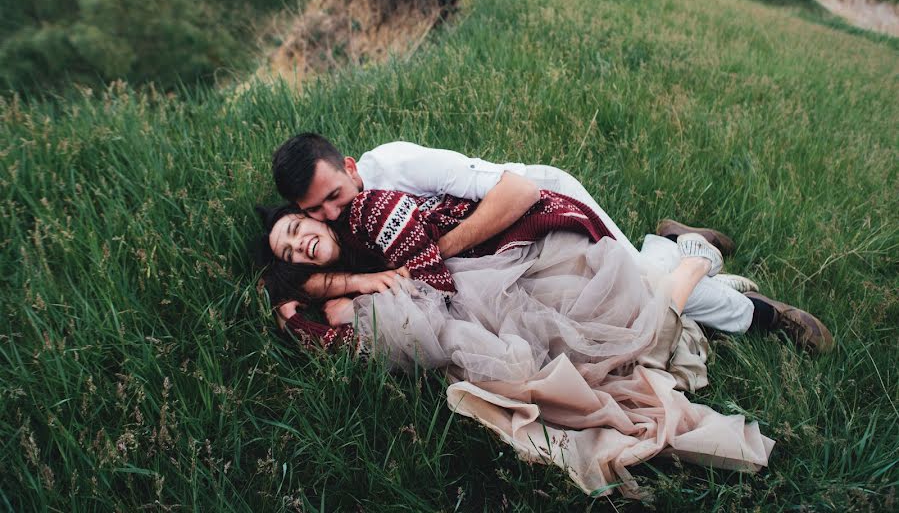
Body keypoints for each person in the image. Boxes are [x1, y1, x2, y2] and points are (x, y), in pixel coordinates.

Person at [255, 187, 774, 498]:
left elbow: (419, 293)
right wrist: (328, 294)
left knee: (624, 339)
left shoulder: (367, 217)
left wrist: (359, 285)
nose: (301, 244)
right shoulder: (335, 285)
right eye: (290, 252)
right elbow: (339, 340)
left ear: (315, 216)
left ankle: (692, 260)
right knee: (610, 362)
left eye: (298, 227)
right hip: (478, 304)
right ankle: (680, 262)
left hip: (488, 279)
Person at [270, 133, 834, 353]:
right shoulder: (331, 226)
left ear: (349, 166)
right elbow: (310, 277)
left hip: (539, 206)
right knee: (624, 294)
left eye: (334, 196)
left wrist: (441, 251)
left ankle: (764, 315)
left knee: (642, 292)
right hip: (502, 258)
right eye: (313, 212)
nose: (329, 215)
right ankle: (674, 241)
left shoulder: (396, 164)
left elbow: (518, 191)